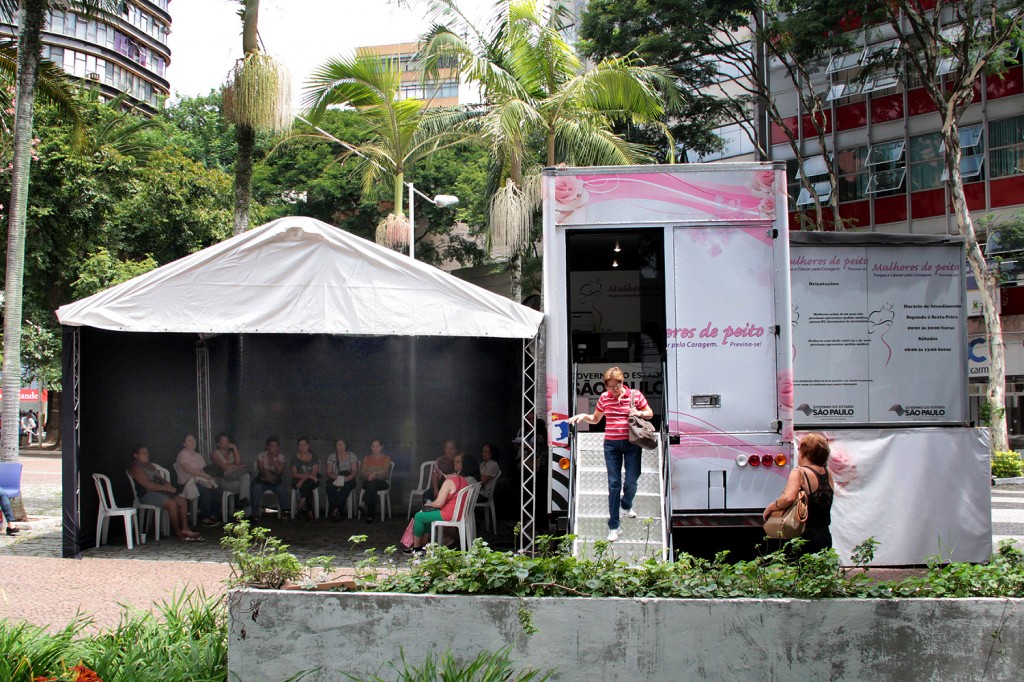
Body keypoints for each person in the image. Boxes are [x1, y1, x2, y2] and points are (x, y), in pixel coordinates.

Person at [568, 367, 653, 542]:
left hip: (632, 443)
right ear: (606, 386)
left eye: (616, 385)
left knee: (632, 479)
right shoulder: (604, 398)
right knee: (614, 484)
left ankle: (626, 504)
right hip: (611, 445)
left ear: (622, 382)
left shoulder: (634, 395)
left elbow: (650, 413)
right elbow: (596, 419)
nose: (613, 390)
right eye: (610, 386)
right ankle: (614, 526)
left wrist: (638, 412)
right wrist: (584, 415)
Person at [762, 433, 835, 554]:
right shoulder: (828, 472)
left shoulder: (800, 472)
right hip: (825, 535)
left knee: (800, 571)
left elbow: (788, 498)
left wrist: (771, 507)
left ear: (803, 453)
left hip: (804, 537)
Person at [128, 445, 203, 541]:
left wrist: (169, 486)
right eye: (142, 453)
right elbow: (148, 485)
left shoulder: (150, 465)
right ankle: (178, 532)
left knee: (182, 501)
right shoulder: (136, 467)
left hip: (161, 491)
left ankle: (185, 529)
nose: (145, 455)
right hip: (147, 494)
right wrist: (165, 488)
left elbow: (161, 479)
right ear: (136, 455)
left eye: (146, 452)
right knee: (171, 504)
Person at [402, 457, 468, 556]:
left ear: (440, 471)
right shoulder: (462, 479)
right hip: (459, 512)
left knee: (419, 516)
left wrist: (428, 504)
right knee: (426, 515)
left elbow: (439, 503)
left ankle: (416, 548)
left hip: (449, 514)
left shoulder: (448, 482)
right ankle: (423, 544)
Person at [174, 434, 224, 527]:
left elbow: (204, 469)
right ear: (184, 444)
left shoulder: (198, 456)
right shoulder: (183, 454)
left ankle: (213, 515)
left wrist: (207, 478)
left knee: (217, 489)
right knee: (204, 491)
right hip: (187, 482)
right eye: (189, 440)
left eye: (194, 440)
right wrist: (204, 476)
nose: (193, 442)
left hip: (200, 479)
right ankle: (205, 518)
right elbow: (188, 470)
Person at [210, 433, 252, 512]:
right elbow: (223, 466)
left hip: (235, 480)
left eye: (227, 441)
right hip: (224, 479)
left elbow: (238, 462)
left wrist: (235, 448)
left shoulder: (232, 453)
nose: (227, 442)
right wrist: (239, 467)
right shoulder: (215, 454)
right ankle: (248, 515)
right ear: (218, 444)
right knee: (246, 481)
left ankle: (244, 505)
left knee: (245, 478)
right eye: (224, 441)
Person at [251, 437, 288, 518]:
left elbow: (280, 471)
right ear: (267, 447)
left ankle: (283, 513)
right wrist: (266, 472)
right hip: (263, 479)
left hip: (275, 479)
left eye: (276, 446)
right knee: (256, 489)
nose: (274, 448)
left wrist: (274, 460)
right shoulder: (262, 455)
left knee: (282, 490)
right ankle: (255, 514)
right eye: (272, 446)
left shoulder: (281, 457)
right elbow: (260, 467)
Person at [325, 438, 359, 521]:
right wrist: (334, 477)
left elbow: (354, 471)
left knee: (346, 487)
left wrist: (347, 478)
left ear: (345, 445)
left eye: (342, 444)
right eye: (338, 444)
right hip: (335, 477)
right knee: (330, 487)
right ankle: (335, 511)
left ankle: (335, 511)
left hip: (349, 477)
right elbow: (328, 471)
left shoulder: (351, 455)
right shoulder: (332, 456)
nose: (340, 446)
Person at [360, 439, 392, 523]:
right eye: (373, 446)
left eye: (377, 446)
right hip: (368, 482)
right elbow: (363, 472)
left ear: (381, 447)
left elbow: (384, 471)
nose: (376, 448)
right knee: (371, 485)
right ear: (371, 448)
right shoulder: (366, 458)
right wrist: (371, 475)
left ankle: (364, 502)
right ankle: (370, 515)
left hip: (382, 482)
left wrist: (374, 473)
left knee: (372, 484)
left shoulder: (386, 458)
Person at [290, 437, 320, 520]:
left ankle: (301, 502)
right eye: (300, 445)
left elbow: (314, 473)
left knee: (308, 483)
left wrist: (304, 479)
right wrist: (306, 477)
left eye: (304, 445)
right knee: (308, 485)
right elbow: (295, 474)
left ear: (308, 446)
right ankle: (310, 511)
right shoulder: (294, 457)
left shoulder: (314, 456)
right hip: (298, 479)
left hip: (310, 480)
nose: (302, 447)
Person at [424, 439, 459, 504]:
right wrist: (436, 489)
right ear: (444, 449)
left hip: (455, 489)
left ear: (455, 450)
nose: (449, 451)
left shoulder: (458, 460)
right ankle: (430, 512)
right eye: (447, 448)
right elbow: (435, 475)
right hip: (442, 487)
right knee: (427, 494)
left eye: (452, 448)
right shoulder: (440, 460)